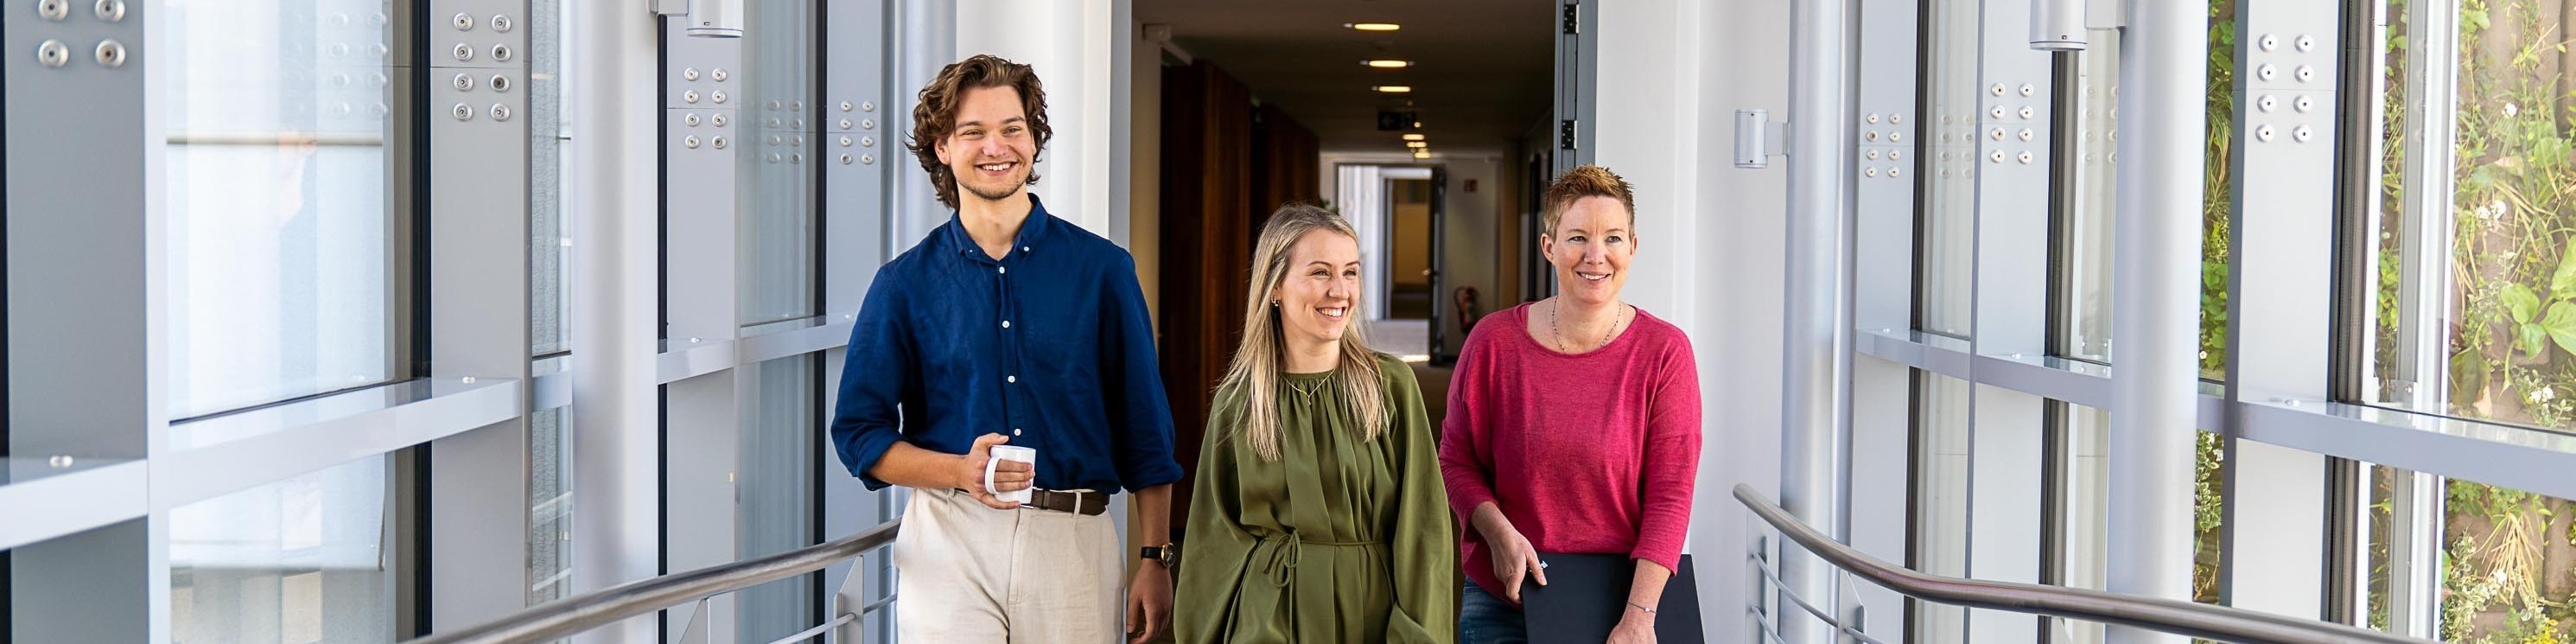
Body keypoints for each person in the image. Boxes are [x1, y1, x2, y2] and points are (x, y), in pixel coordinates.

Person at [828, 54, 1182, 644]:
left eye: (1012, 128)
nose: (996, 147)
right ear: (942, 148)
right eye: (973, 131)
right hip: (949, 541)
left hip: (1072, 543)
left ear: (1033, 140)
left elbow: (1145, 427)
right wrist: (958, 471)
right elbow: (858, 433)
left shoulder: (1103, 271)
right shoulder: (902, 285)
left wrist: (1155, 556)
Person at [1439, 166, 1703, 644]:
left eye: (1613, 238)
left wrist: (1639, 616)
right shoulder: (1494, 343)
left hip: (1619, 603)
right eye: (1578, 237)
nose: (1595, 256)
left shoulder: (1665, 352)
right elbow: (1456, 460)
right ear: (1549, 247)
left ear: (1633, 248)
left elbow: (1671, 494)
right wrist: (1497, 533)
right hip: (1507, 596)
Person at [1175, 205, 1457, 643]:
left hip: (1370, 613)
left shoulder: (1390, 386)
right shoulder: (1240, 400)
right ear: (1275, 286)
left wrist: (1419, 633)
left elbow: (1424, 530)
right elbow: (1211, 536)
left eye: (1351, 273)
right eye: (1321, 272)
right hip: (1267, 617)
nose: (1340, 291)